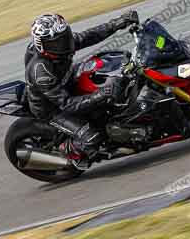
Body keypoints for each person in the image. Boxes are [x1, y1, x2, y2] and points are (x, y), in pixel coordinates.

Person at [24, 10, 140, 165]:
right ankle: (70, 151)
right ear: (42, 45)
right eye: (58, 42)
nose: (65, 43)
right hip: (52, 108)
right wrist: (101, 95)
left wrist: (117, 23)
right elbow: (67, 104)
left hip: (67, 81)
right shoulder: (41, 72)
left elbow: (90, 35)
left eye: (65, 36)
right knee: (92, 138)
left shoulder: (61, 44)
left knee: (113, 66)